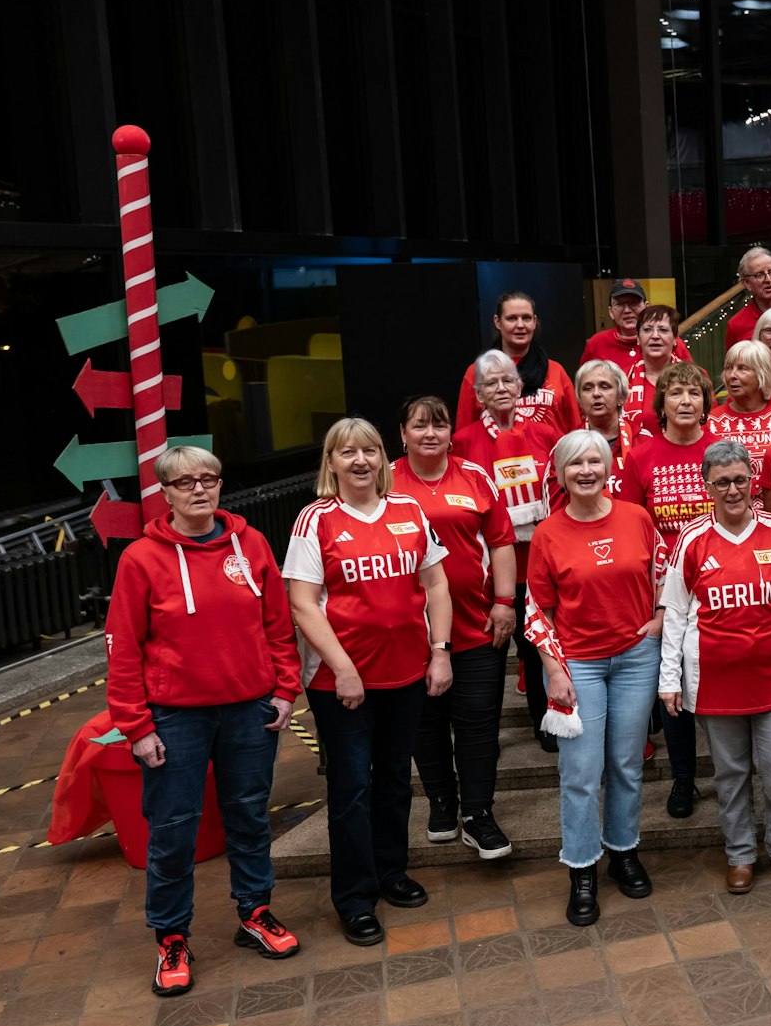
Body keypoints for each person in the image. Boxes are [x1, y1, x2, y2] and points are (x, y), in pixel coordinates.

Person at [106, 447, 303, 995]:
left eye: (209, 479)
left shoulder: (252, 544)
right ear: (164, 493)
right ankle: (171, 937)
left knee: (248, 816)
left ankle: (255, 912)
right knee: (172, 829)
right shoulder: (141, 560)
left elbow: (278, 625)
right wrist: (137, 726)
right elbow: (123, 649)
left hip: (249, 710)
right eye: (185, 482)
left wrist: (285, 689)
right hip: (174, 718)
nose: (199, 489)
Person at [285, 419, 453, 947]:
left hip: (406, 674)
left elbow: (437, 584)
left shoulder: (409, 510)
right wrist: (345, 670)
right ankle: (355, 898)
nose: (361, 461)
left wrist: (440, 652)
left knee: (395, 781)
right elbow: (302, 604)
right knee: (351, 790)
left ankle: (391, 872)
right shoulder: (316, 520)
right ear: (331, 463)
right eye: (348, 452)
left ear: (384, 458)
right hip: (343, 685)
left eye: (371, 451)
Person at [659, 442, 771, 894]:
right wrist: (669, 679)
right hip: (715, 680)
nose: (733, 490)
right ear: (706, 485)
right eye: (722, 482)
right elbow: (673, 613)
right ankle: (740, 854)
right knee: (730, 774)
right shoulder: (691, 540)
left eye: (740, 480)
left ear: (753, 480)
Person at [526, 431, 668, 923]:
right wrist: (553, 668)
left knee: (626, 765)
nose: (586, 470)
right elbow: (537, 609)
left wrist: (660, 621)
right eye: (575, 464)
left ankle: (624, 852)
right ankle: (583, 868)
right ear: (561, 474)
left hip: (635, 658)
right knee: (582, 774)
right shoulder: (548, 533)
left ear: (609, 467)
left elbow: (665, 575)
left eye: (594, 461)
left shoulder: (637, 517)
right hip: (577, 665)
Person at [394, 396, 518, 859]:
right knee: (425, 723)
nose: (430, 434)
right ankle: (442, 804)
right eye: (420, 425)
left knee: (478, 722)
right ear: (402, 433)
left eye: (439, 425)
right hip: (409, 631)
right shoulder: (385, 481)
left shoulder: (474, 477)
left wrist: (505, 603)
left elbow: (502, 542)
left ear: (451, 432)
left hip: (477, 625)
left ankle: (478, 815)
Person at [617, 360, 720, 818]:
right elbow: (629, 528)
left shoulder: (723, 449)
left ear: (704, 403)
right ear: (662, 404)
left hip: (720, 582)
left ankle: (733, 771)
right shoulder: (641, 457)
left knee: (720, 683)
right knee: (674, 686)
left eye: (694, 393)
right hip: (665, 593)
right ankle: (684, 778)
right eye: (676, 393)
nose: (684, 401)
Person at [453, 350, 561, 752]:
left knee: (537, 649)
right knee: (492, 650)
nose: (501, 389)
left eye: (507, 381)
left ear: (520, 388)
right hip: (491, 569)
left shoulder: (546, 434)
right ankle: (486, 731)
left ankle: (544, 720)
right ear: (479, 395)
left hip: (538, 564)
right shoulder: (463, 442)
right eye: (491, 384)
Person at [457, 291, 581, 435]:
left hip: (550, 455)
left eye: (526, 318)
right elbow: (464, 434)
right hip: (497, 456)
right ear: (498, 322)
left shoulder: (556, 370)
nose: (520, 325)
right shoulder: (477, 372)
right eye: (512, 318)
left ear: (534, 322)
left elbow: (576, 429)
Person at [708, 339, 771, 497]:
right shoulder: (712, 421)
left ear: (762, 374)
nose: (732, 375)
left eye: (742, 369)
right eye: (729, 368)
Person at [581, 279, 691, 371]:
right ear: (611, 312)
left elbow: (696, 382)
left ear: (646, 306)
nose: (627, 310)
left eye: (634, 303)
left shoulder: (669, 342)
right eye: (619, 304)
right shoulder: (597, 343)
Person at [622, 303, 685, 436]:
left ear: (675, 338)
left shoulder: (695, 377)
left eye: (663, 330)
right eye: (648, 329)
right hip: (634, 454)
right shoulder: (621, 379)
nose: (655, 336)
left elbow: (708, 422)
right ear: (638, 338)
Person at [577, 359, 634, 493]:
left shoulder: (642, 441)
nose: (596, 393)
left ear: (621, 397)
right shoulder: (567, 446)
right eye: (588, 388)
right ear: (580, 400)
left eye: (604, 386)